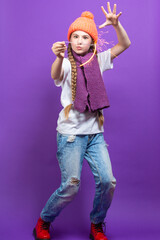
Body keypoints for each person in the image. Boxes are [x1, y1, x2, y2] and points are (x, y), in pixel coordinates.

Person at [33, 2, 131, 240]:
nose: (78, 41)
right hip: (70, 134)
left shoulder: (99, 61)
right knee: (71, 185)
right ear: (69, 40)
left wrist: (117, 25)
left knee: (108, 182)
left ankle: (96, 224)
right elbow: (55, 75)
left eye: (84, 37)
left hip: (95, 134)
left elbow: (125, 44)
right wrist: (57, 57)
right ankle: (44, 221)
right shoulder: (66, 62)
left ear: (92, 42)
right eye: (74, 36)